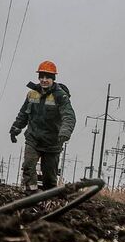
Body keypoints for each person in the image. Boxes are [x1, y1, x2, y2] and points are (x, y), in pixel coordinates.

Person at [9, 61, 76, 193]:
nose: (44, 80)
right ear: (39, 78)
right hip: (33, 139)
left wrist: (65, 132)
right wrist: (15, 128)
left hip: (52, 143)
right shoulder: (32, 94)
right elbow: (23, 114)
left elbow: (69, 116)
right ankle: (30, 193)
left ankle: (48, 199)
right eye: (42, 77)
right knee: (28, 166)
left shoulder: (60, 96)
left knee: (49, 178)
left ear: (53, 79)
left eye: (48, 77)